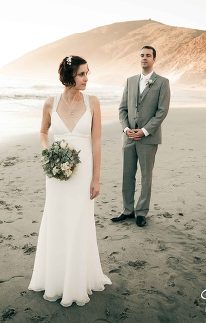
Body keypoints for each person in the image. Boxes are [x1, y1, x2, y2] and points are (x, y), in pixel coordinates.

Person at [28, 55, 111, 307]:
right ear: (69, 76)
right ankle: (54, 279)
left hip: (83, 174)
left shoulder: (93, 102)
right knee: (57, 220)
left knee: (78, 222)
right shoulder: (50, 103)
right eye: (82, 74)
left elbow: (96, 143)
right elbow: (43, 132)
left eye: (88, 73)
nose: (87, 78)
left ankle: (76, 281)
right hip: (56, 174)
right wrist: (48, 152)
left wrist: (96, 178)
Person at [111, 46, 171, 227]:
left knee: (146, 176)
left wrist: (144, 131)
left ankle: (142, 212)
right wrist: (126, 128)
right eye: (142, 56)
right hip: (129, 137)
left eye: (148, 56)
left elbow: (162, 112)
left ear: (154, 59)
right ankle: (127, 210)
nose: (144, 58)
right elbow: (122, 109)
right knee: (127, 175)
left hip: (148, 138)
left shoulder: (162, 82)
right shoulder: (130, 81)